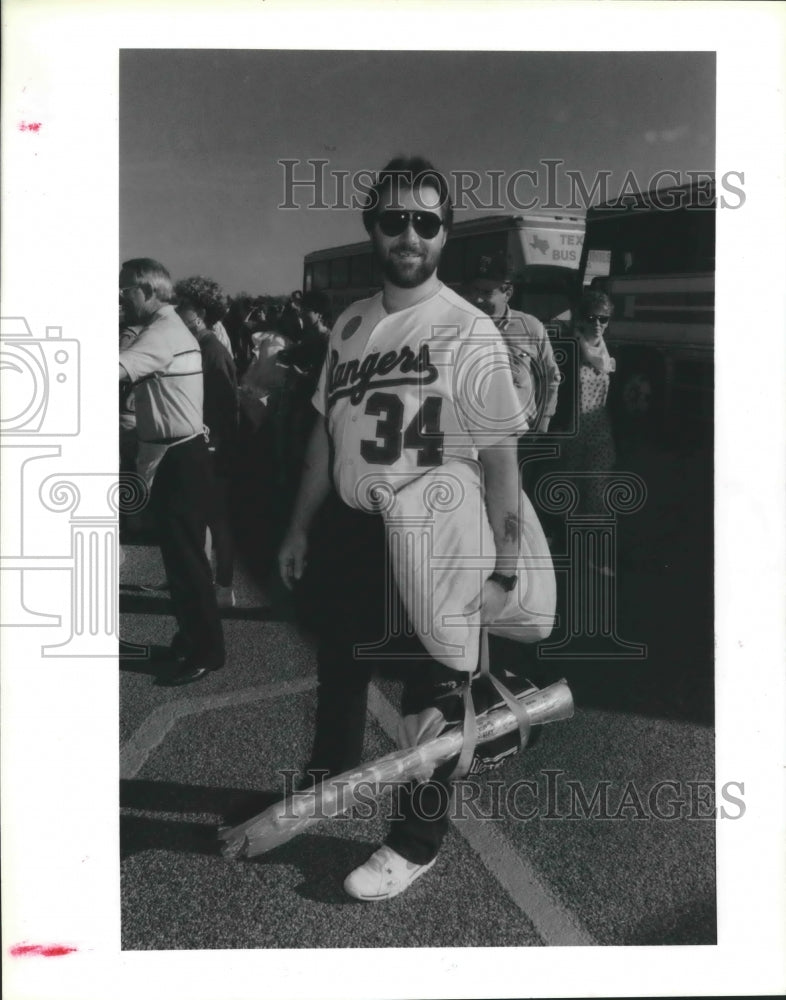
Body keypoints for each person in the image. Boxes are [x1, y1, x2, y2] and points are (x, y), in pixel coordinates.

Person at [277, 156, 529, 901]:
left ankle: (415, 841)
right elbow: (327, 435)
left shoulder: (470, 329)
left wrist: (505, 567)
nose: (410, 234)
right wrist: (299, 526)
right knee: (341, 673)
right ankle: (324, 788)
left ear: (443, 235)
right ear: (373, 229)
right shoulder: (351, 323)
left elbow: (502, 463)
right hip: (356, 530)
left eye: (426, 221)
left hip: (439, 532)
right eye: (395, 220)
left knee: (433, 700)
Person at [118, 258, 225, 685]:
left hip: (178, 458)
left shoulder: (161, 333)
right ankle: (190, 638)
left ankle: (206, 652)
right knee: (181, 560)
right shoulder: (163, 329)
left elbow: (113, 370)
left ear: (147, 291)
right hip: (177, 455)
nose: (122, 296)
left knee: (187, 563)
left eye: (126, 288)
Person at [175, 275, 239, 608]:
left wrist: (215, 445)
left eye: (181, 306)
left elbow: (227, 407)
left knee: (216, 518)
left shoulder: (212, 351)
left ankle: (225, 586)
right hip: (202, 444)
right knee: (202, 519)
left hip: (213, 448)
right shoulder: (197, 346)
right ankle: (206, 581)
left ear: (199, 310)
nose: (175, 310)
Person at [552, 289, 617, 569]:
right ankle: (564, 548)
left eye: (603, 319)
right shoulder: (567, 348)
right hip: (570, 433)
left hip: (599, 434)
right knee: (568, 491)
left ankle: (594, 554)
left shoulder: (606, 351)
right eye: (591, 317)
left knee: (597, 492)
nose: (597, 324)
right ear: (579, 318)